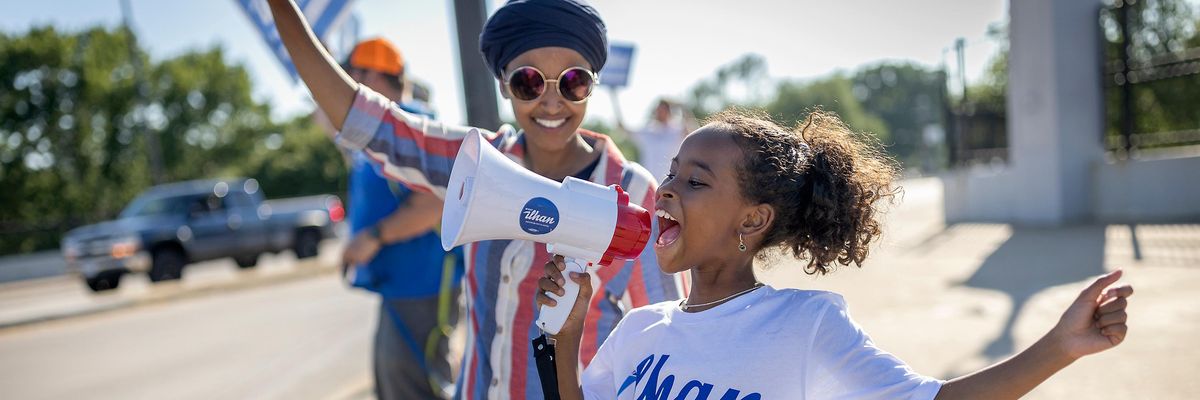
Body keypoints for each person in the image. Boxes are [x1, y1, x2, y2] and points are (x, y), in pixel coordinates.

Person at [538, 109, 1135, 399]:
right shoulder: (638, 329)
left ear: (754, 219)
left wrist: (1059, 347)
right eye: (670, 174)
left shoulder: (804, 324)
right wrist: (565, 341)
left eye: (695, 181)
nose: (664, 190)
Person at [264, 0, 685, 398]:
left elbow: (668, 340)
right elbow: (371, 124)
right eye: (528, 82)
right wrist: (282, 10)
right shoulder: (476, 161)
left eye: (574, 82)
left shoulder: (634, 194)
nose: (552, 101)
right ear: (503, 85)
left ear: (592, 85)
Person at [325, 38, 462, 400]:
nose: (346, 82)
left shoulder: (413, 123)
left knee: (419, 386)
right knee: (394, 384)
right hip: (402, 286)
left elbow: (435, 203)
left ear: (371, 74)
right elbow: (328, 119)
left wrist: (373, 237)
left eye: (351, 73)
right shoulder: (381, 130)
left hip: (424, 284)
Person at [617, 99, 696, 181]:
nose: (660, 113)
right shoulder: (649, 130)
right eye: (658, 110)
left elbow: (693, 134)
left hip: (670, 181)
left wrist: (683, 107)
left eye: (663, 110)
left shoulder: (677, 130)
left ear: (669, 112)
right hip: (649, 182)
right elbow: (625, 130)